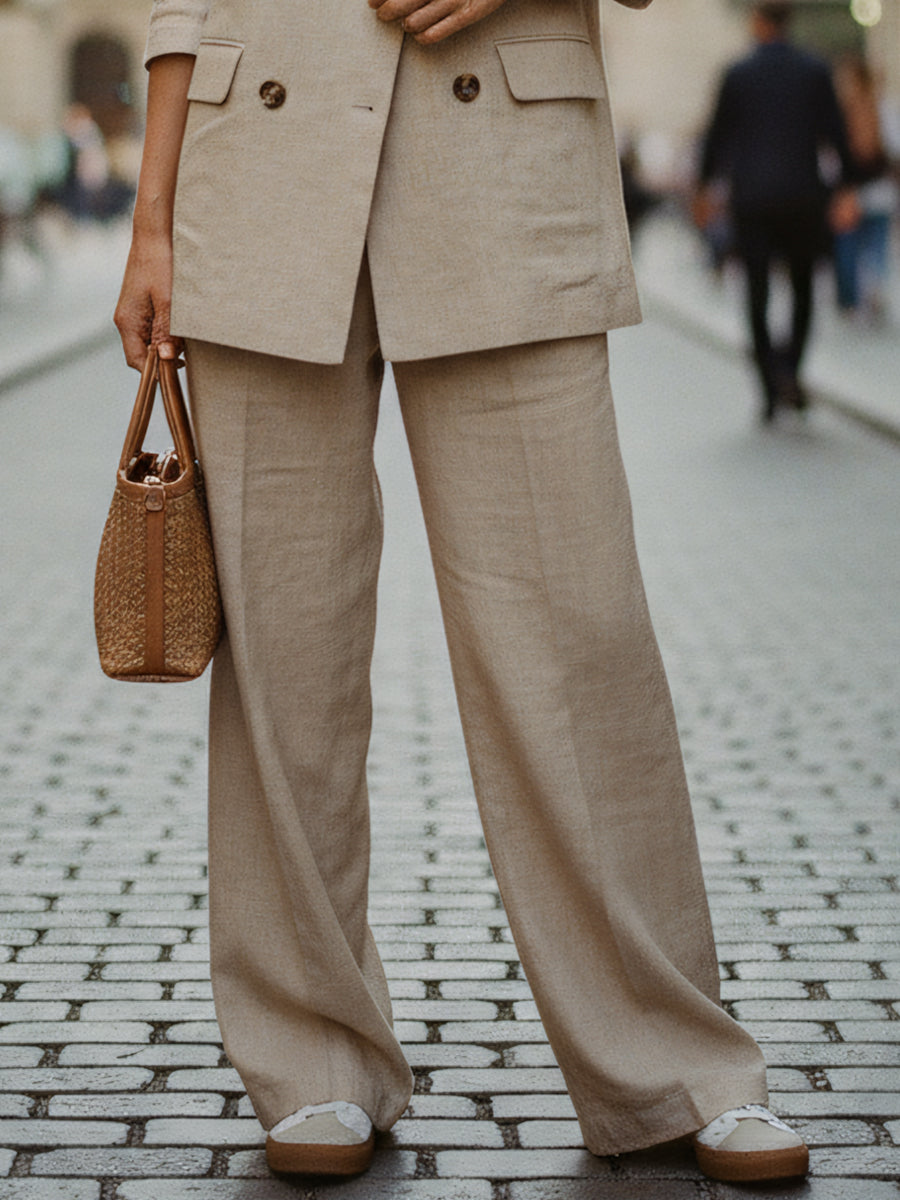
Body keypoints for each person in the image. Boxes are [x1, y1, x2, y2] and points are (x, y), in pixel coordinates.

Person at [115, 0, 809, 1183]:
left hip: (502, 168)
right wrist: (154, 214)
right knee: (283, 655)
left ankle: (674, 1058)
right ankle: (311, 1058)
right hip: (260, 178)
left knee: (578, 639)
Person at [697, 0, 853, 421]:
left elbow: (716, 138)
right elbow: (837, 134)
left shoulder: (738, 73)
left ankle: (768, 384)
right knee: (803, 290)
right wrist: (846, 188)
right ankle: (790, 368)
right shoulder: (815, 71)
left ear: (758, 23)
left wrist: (704, 187)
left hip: (752, 199)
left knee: (756, 292)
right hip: (804, 196)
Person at [832, 55, 899, 322]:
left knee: (850, 247)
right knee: (875, 247)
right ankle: (872, 290)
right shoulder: (883, 109)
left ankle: (854, 300)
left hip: (854, 192)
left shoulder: (844, 114)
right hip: (878, 192)